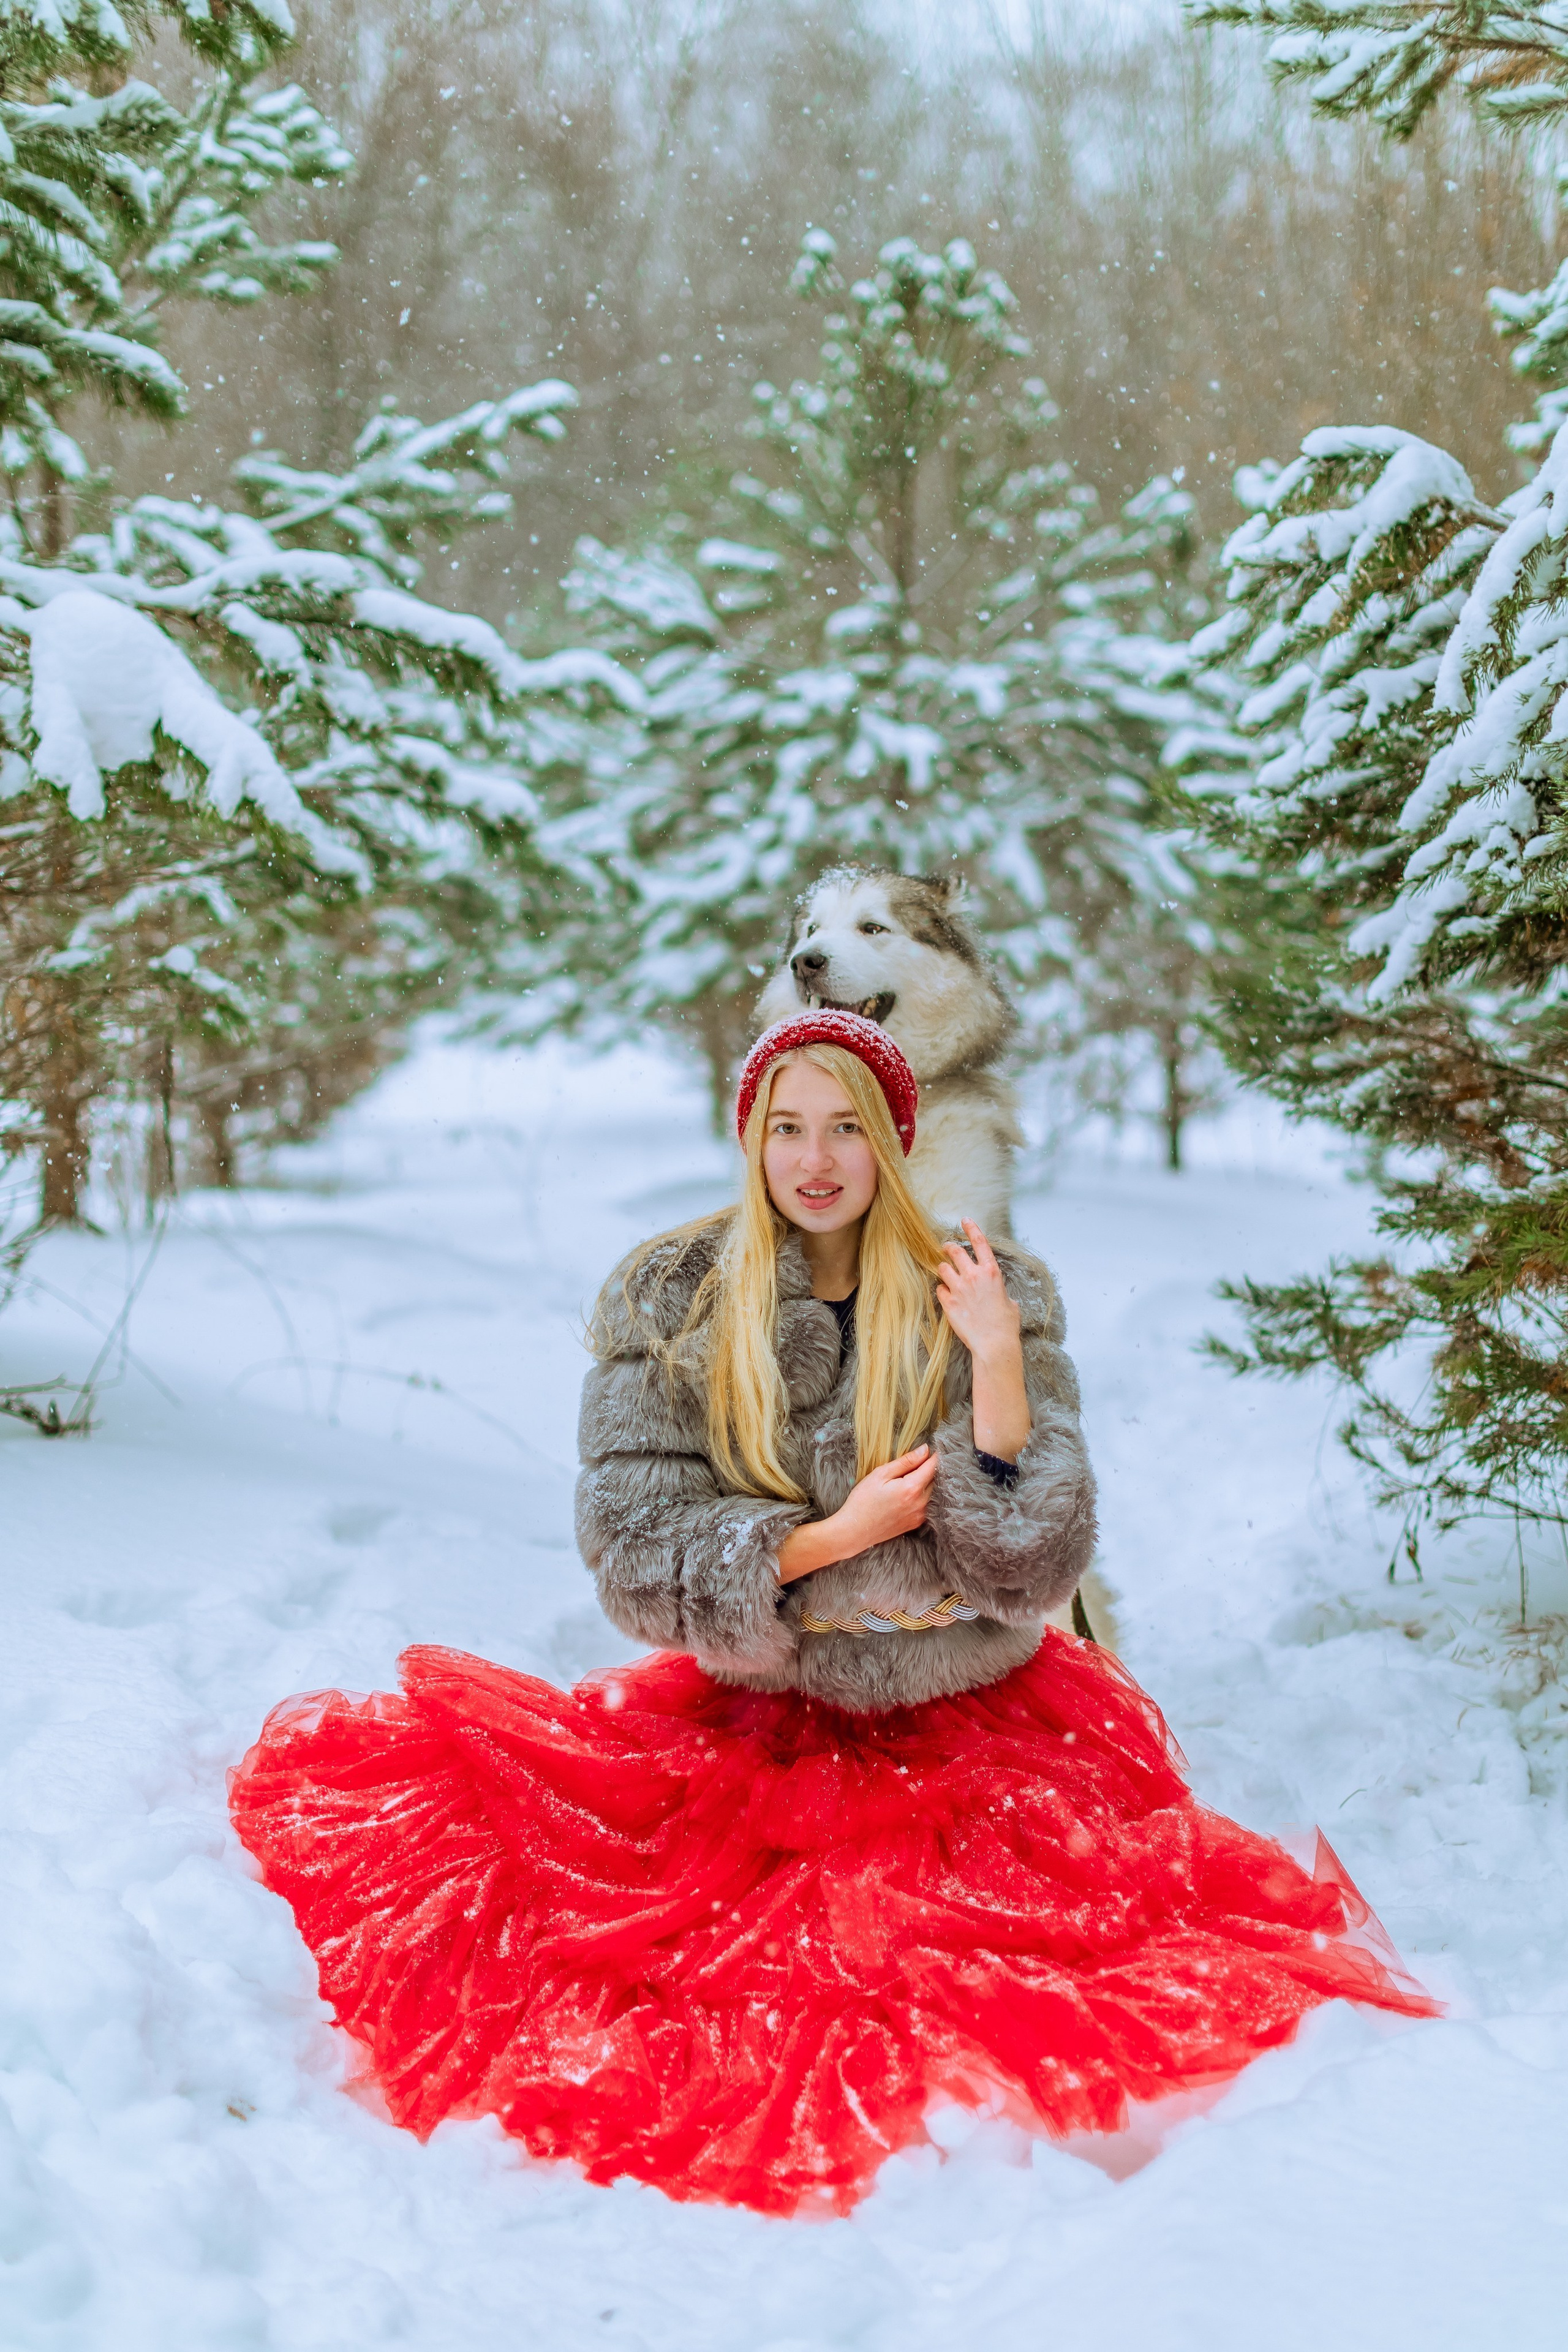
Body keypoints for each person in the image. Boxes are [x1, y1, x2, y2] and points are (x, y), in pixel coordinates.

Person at [229, 1009, 1436, 2218]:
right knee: (714, 1971)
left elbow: (1034, 1565)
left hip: (979, 1717)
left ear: (891, 1143)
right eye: (787, 1129)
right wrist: (831, 1539)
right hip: (764, 1719)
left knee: (1058, 1951)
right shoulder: (674, 1302)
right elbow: (634, 1554)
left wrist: (996, 1359)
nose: (815, 1160)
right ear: (750, 1140)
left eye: (846, 1129)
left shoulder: (983, 1286)